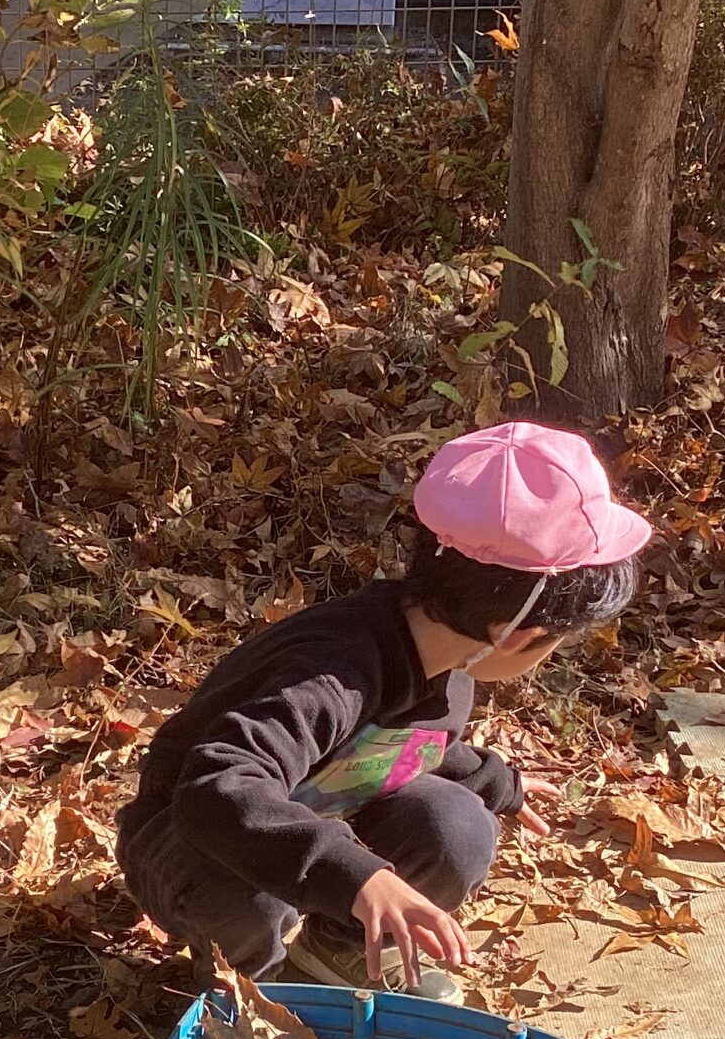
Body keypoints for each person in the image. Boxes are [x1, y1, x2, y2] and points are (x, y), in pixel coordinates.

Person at [117, 422, 650, 996]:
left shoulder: (446, 657)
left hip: (310, 813)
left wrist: (496, 783)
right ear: (517, 633)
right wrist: (356, 875)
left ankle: (336, 953)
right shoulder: (332, 670)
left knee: (459, 827)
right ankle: (258, 994)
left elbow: (411, 746)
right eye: (555, 644)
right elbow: (214, 787)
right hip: (190, 840)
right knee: (254, 900)